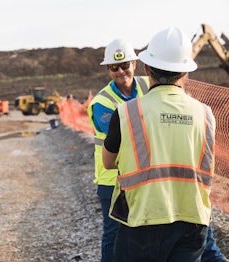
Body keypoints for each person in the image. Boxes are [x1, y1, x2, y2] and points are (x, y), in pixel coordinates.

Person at [102, 27, 216, 261]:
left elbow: (108, 162)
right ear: (185, 73)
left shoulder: (126, 113)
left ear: (145, 68)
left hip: (143, 218)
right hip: (193, 220)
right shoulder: (206, 114)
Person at [87, 38, 149, 262]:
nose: (121, 71)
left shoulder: (148, 85)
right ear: (108, 70)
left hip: (141, 173)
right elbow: (122, 140)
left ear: (135, 63)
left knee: (141, 229)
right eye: (115, 67)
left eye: (125, 65)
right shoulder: (102, 102)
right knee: (114, 233)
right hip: (111, 179)